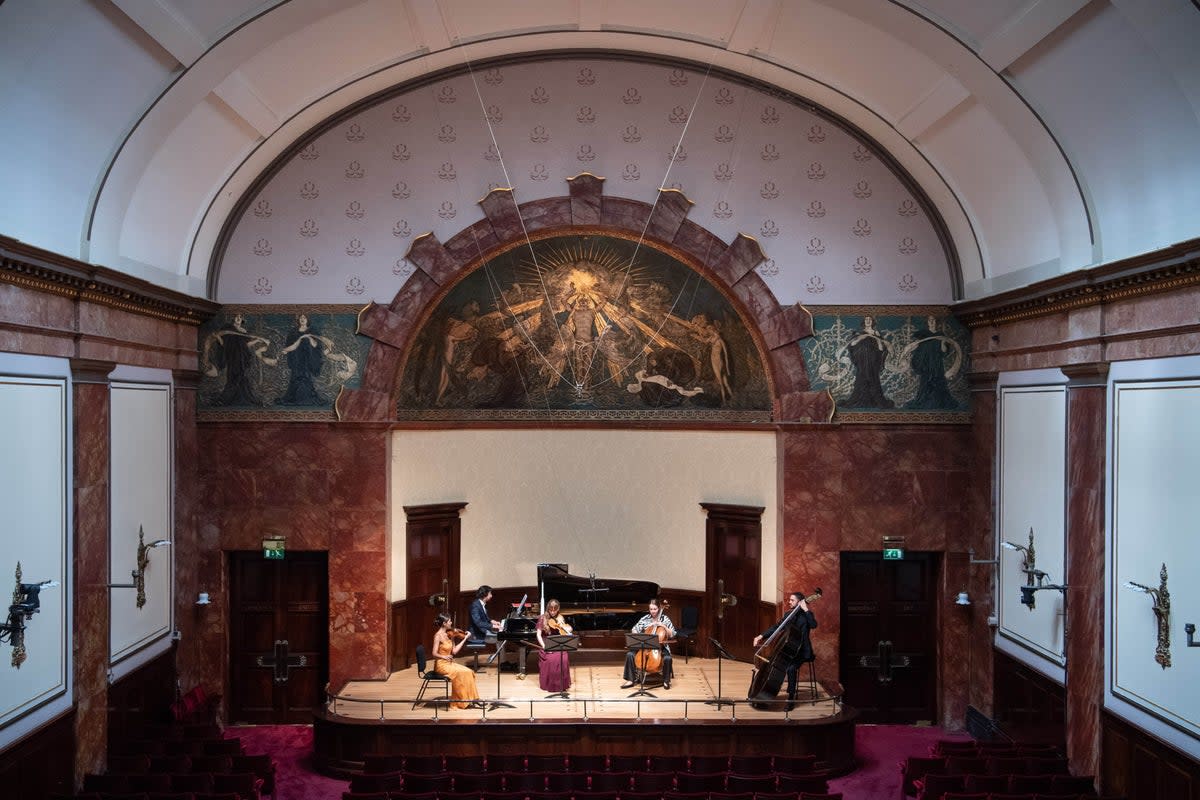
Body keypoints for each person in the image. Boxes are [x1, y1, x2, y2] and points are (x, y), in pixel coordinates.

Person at [752, 591, 818, 706]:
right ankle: (766, 692)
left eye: (792, 600)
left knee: (791, 669)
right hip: (789, 651)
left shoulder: (807, 615)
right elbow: (777, 627)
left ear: (799, 602)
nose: (789, 602)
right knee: (777, 664)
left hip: (802, 652)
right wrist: (760, 636)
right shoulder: (788, 615)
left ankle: (791, 698)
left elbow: (814, 625)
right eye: (789, 600)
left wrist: (806, 609)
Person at [620, 598, 675, 689]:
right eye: (651, 609)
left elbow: (672, 634)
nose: (653, 611)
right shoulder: (645, 619)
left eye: (655, 609)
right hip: (645, 646)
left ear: (659, 608)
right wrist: (640, 632)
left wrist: (663, 626)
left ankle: (666, 681)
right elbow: (634, 630)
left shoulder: (665, 619)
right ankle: (630, 680)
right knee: (630, 654)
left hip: (660, 647)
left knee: (667, 658)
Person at [843, 315, 893, 408]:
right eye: (866, 319)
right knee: (861, 377)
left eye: (870, 319)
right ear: (864, 321)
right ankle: (860, 399)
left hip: (873, 359)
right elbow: (853, 344)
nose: (868, 321)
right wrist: (864, 336)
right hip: (862, 360)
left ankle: (874, 400)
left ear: (873, 321)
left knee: (873, 378)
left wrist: (876, 338)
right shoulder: (859, 333)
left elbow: (881, 349)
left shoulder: (876, 333)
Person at [431, 613, 479, 709]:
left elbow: (454, 651)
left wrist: (465, 638)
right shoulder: (438, 636)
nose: (451, 622)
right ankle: (460, 702)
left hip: (449, 663)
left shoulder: (450, 634)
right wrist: (444, 657)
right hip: (441, 665)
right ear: (444, 623)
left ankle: (472, 699)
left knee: (469, 671)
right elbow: (434, 653)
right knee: (460, 673)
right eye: (449, 621)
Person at [535, 598, 573, 693]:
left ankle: (562, 685)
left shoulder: (560, 617)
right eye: (550, 610)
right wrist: (544, 646)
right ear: (548, 609)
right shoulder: (542, 618)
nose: (552, 612)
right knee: (552, 660)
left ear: (558, 609)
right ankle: (551, 685)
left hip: (558, 643)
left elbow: (568, 631)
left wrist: (562, 625)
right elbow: (538, 635)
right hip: (547, 644)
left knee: (563, 657)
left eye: (554, 610)